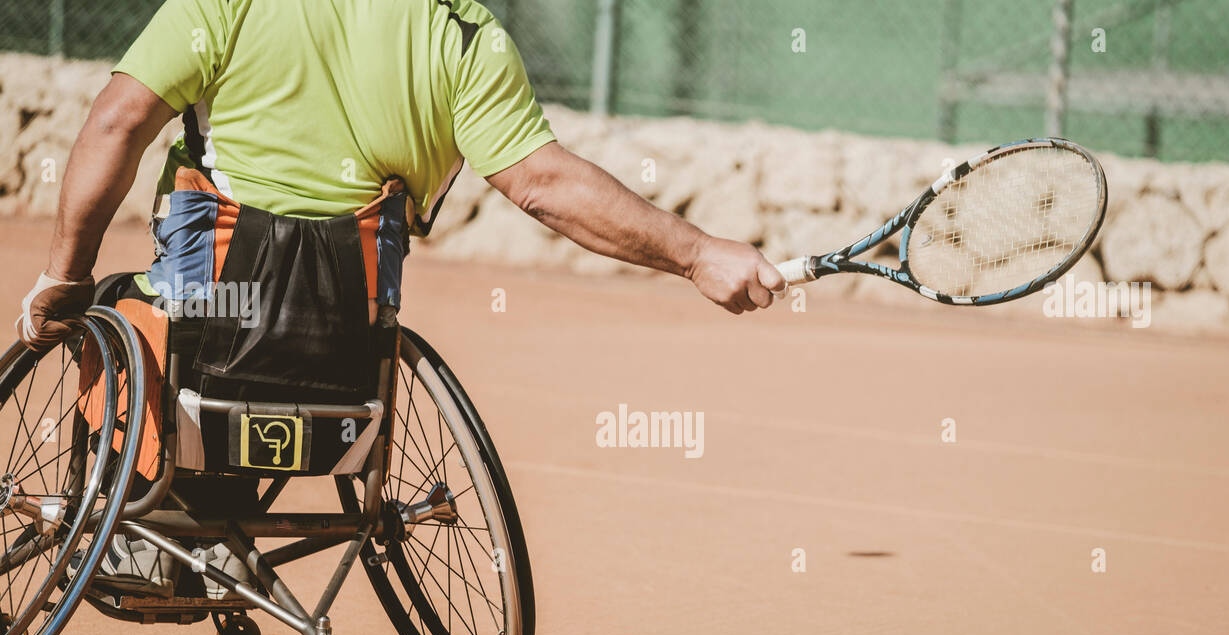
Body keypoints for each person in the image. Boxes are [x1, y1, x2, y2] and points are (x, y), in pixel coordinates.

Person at [17, 0, 787, 354]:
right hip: (344, 333)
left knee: (112, 311)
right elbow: (543, 183)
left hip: (203, 314)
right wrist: (697, 253)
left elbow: (118, 120)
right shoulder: (464, 36)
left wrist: (66, 275)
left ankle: (127, 540)